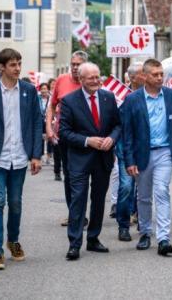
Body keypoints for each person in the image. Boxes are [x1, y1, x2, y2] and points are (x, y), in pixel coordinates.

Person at [0, 48, 43, 270]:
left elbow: (36, 122)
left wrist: (36, 155)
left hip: (20, 156)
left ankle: (12, 240)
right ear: (2, 67)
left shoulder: (29, 90)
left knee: (15, 203)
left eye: (19, 64)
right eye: (13, 65)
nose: (17, 68)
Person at [122, 59, 172, 257]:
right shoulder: (133, 99)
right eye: (155, 74)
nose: (160, 77)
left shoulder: (171, 95)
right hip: (143, 154)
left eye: (161, 74)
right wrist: (129, 160)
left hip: (165, 152)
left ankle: (163, 238)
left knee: (162, 191)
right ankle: (145, 232)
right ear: (145, 76)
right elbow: (128, 133)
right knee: (143, 196)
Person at [59, 63, 121, 261]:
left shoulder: (108, 97)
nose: (96, 81)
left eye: (97, 77)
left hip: (103, 158)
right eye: (91, 78)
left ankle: (93, 238)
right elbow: (64, 132)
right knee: (78, 200)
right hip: (79, 158)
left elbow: (118, 124)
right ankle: (74, 243)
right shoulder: (69, 101)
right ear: (81, 79)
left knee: (98, 200)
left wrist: (112, 138)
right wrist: (87, 141)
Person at [111, 61, 145, 242]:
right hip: (126, 147)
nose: (146, 76)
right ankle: (123, 225)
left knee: (146, 188)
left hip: (147, 148)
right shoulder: (119, 96)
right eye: (142, 73)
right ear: (132, 78)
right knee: (126, 187)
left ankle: (143, 221)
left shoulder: (152, 94)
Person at [46, 51, 88, 196]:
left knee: (80, 174)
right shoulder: (62, 79)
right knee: (69, 174)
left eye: (79, 64)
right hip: (63, 133)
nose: (75, 67)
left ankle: (78, 213)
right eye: (73, 64)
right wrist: (49, 129)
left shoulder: (89, 82)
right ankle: (73, 214)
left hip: (84, 135)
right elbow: (51, 106)